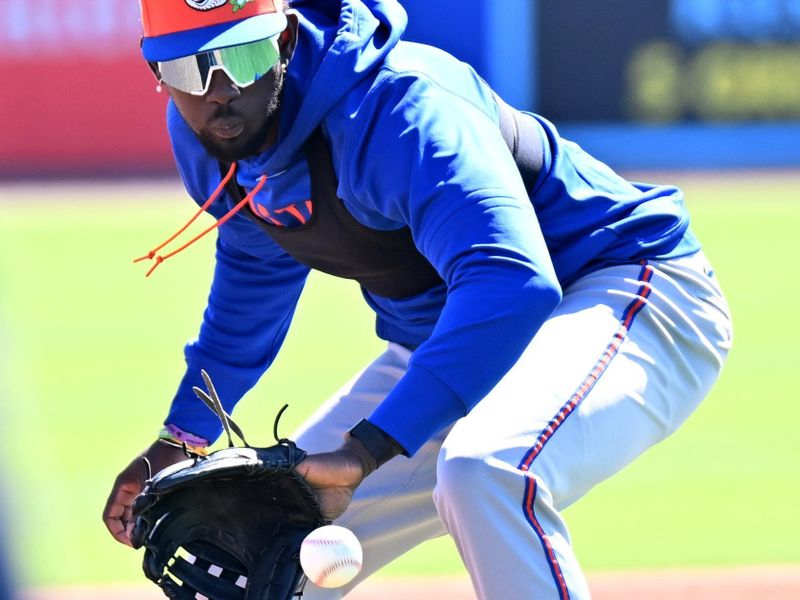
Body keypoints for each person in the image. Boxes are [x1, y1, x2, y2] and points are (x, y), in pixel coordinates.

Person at [102, 0, 733, 598]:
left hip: (625, 288)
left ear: (284, 39)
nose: (218, 88)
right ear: (157, 73)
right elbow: (252, 282)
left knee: (486, 471)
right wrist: (180, 438)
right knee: (261, 546)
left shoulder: (399, 109)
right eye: (189, 67)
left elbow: (510, 281)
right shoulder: (215, 141)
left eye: (239, 58)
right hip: (459, 341)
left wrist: (366, 449)